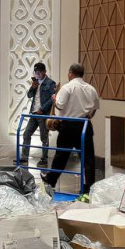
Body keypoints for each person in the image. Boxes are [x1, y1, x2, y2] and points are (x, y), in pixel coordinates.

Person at [43, 63, 99, 193]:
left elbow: (60, 106)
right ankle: (89, 188)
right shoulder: (91, 88)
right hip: (85, 125)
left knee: (61, 156)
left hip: (68, 126)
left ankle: (51, 180)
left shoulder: (67, 87)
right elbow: (95, 108)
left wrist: (54, 99)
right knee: (88, 159)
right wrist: (88, 117)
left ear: (70, 73)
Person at [19, 63, 57, 167]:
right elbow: (29, 95)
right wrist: (32, 87)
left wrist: (42, 108)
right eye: (36, 72)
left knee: (44, 137)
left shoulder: (50, 83)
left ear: (45, 71)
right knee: (26, 134)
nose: (38, 74)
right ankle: (24, 158)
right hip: (34, 113)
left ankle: (44, 159)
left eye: (40, 72)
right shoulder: (35, 83)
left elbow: (52, 99)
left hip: (43, 114)